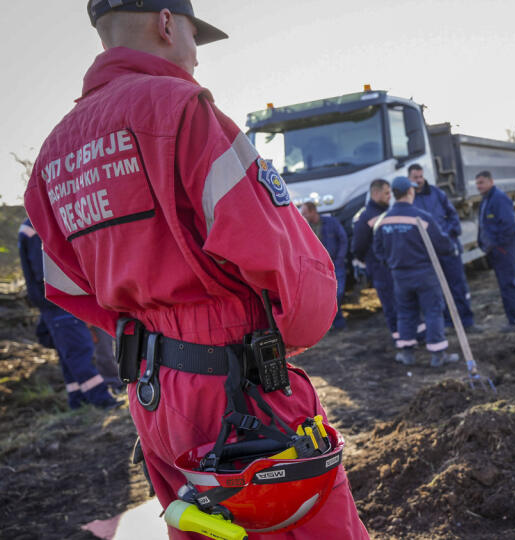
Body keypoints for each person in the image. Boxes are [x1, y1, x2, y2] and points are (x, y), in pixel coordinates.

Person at [23, 2, 367, 538]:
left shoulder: (53, 154)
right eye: (193, 37)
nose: (196, 59)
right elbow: (288, 261)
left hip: (151, 392)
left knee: (202, 529)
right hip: (237, 389)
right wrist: (278, 343)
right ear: (166, 22)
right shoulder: (182, 109)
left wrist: (151, 332)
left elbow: (67, 286)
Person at [17, 218, 119, 410]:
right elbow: (45, 271)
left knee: (69, 355)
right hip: (60, 301)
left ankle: (78, 400)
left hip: (54, 302)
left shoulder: (31, 226)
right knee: (79, 351)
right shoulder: (38, 225)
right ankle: (102, 400)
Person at [373, 177, 459, 367]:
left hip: (399, 276)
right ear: (410, 192)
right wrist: (452, 249)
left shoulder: (383, 220)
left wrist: (391, 263)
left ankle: (407, 353)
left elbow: (378, 250)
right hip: (424, 273)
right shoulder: (421, 218)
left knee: (405, 312)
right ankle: (438, 355)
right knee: (433, 311)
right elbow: (443, 244)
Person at [408, 164, 481, 333]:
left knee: (458, 286)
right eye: (415, 177)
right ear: (409, 178)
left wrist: (446, 235)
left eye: (420, 177)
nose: (418, 180)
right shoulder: (410, 199)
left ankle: (467, 321)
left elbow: (453, 216)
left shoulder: (437, 193)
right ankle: (448, 323)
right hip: (427, 252)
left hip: (448, 249)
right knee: (437, 289)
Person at [475, 171, 515, 333]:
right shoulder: (486, 199)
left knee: (508, 285)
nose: (479, 186)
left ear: (491, 182)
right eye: (477, 183)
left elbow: (510, 227)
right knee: (511, 283)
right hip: (498, 250)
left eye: (482, 182)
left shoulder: (499, 198)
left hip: (504, 250)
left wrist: (497, 246)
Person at [352, 179, 399, 340]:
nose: (389, 196)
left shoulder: (389, 212)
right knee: (390, 304)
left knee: (402, 302)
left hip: (393, 266)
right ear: (376, 193)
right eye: (386, 193)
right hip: (380, 269)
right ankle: (399, 338)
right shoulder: (365, 217)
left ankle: (412, 336)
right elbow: (358, 246)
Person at [301, 201, 348, 330]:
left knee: (337, 294)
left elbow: (343, 239)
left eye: (304, 213)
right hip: (319, 268)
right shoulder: (306, 227)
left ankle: (337, 322)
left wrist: (339, 258)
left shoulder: (331, 222)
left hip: (335, 264)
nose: (302, 216)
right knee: (328, 297)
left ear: (312, 211)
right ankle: (337, 323)